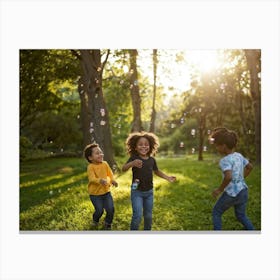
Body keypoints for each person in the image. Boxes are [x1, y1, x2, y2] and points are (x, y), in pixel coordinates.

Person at [122, 131, 176, 230]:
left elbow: (157, 171)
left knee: (148, 216)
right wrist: (132, 163)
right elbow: (123, 168)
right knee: (137, 216)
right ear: (135, 147)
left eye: (146, 144)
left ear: (150, 146)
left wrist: (167, 177)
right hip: (136, 191)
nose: (143, 147)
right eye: (140, 145)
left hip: (149, 193)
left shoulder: (152, 160)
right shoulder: (134, 158)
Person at [209, 127, 254, 230]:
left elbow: (228, 177)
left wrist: (219, 190)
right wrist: (240, 178)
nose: (216, 148)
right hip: (243, 190)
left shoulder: (225, 160)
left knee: (216, 212)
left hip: (231, 193)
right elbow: (250, 167)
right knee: (241, 216)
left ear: (224, 146)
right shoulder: (239, 156)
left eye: (217, 146)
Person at [84, 143, 118, 230]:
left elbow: (110, 174)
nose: (101, 154)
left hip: (106, 192)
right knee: (99, 210)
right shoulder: (90, 167)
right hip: (95, 194)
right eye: (97, 153)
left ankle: (108, 223)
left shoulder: (105, 164)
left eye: (101, 152)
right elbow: (92, 178)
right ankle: (95, 220)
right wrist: (100, 180)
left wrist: (112, 180)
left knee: (110, 209)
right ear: (90, 158)